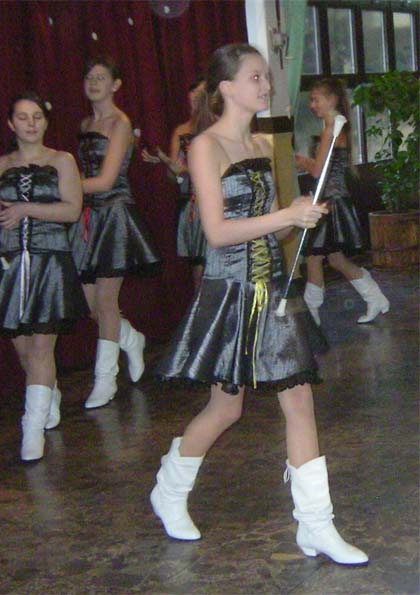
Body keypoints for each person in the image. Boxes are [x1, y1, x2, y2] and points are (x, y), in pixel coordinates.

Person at [151, 43, 368, 566]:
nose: (265, 85)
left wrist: (297, 213)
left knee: (299, 399)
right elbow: (217, 232)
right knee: (226, 408)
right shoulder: (205, 146)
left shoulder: (259, 142)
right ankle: (169, 489)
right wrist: (285, 216)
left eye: (265, 77)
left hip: (273, 285)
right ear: (226, 87)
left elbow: (268, 221)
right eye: (255, 77)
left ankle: (315, 525)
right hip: (230, 289)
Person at [0, 92, 86, 462]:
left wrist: (27, 208)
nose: (31, 123)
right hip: (12, 263)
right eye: (22, 117)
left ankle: (31, 430)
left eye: (37, 116)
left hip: (50, 261)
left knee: (40, 348)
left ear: (46, 121)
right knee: (23, 350)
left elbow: (72, 211)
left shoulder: (62, 160)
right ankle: (47, 393)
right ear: (10, 123)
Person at [69, 55, 161, 410]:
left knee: (107, 301)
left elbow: (107, 180)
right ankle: (131, 338)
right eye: (89, 77)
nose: (94, 83)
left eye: (101, 77)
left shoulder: (120, 123)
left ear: (115, 84)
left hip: (115, 213)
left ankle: (105, 379)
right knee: (92, 304)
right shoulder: (85, 123)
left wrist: (65, 188)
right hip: (88, 215)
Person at [295, 78, 389, 325]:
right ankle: (374, 297)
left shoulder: (332, 130)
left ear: (332, 99)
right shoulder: (334, 127)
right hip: (331, 199)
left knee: (314, 256)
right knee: (334, 259)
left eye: (316, 99)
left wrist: (302, 161)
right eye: (311, 100)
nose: (312, 105)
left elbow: (318, 171)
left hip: (331, 202)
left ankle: (312, 313)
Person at [142, 77, 211, 290]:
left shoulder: (217, 129)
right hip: (191, 206)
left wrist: (186, 170)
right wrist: (170, 167)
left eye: (201, 93)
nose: (196, 98)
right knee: (198, 270)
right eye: (193, 93)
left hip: (214, 201)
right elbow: (174, 177)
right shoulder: (181, 131)